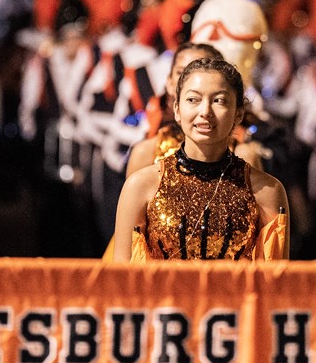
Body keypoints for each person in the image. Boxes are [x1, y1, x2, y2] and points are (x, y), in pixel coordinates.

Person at [113, 58, 289, 262]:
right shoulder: (141, 185)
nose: (205, 112)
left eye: (219, 101)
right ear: (177, 109)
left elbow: (276, 285)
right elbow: (121, 281)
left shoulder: (266, 191)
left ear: (238, 114)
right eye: (193, 100)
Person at [125, 43, 223, 176]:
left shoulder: (242, 156)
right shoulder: (145, 153)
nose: (189, 81)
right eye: (181, 72)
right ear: (169, 82)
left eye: (199, 71)